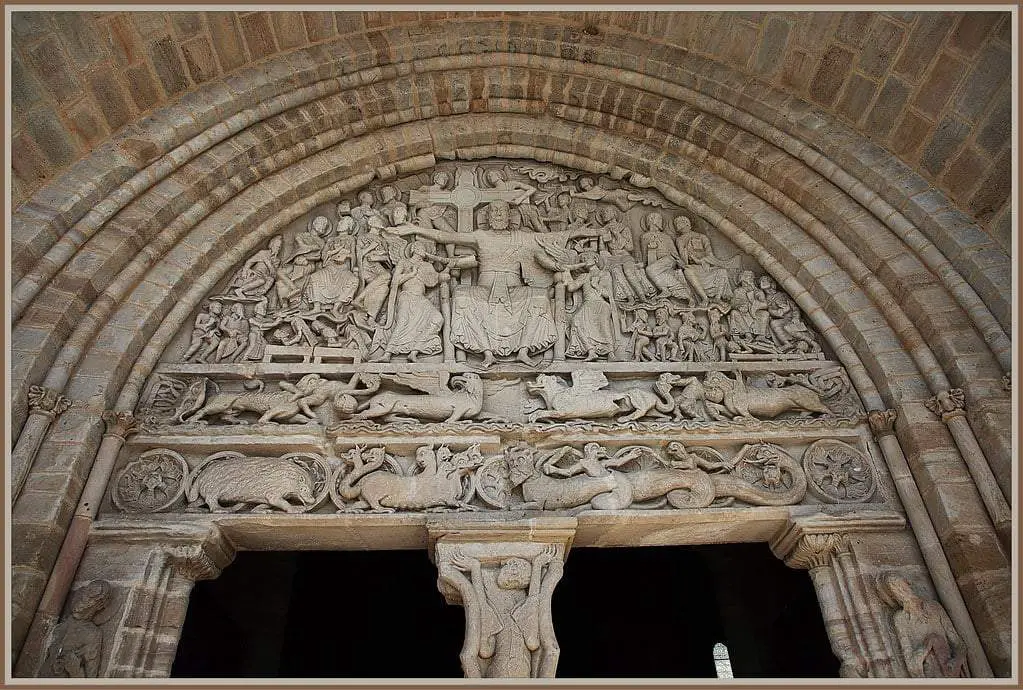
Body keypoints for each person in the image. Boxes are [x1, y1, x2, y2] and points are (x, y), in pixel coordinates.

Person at [395, 199, 599, 367]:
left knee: (539, 298)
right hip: (484, 287)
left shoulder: (521, 237)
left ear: (510, 217)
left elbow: (552, 237)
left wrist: (587, 232)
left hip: (514, 287)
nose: (499, 215)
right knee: (462, 297)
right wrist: (413, 228)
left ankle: (524, 350)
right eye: (495, 212)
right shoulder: (480, 236)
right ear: (489, 217)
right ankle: (485, 351)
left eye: (503, 212)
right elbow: (444, 235)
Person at [877, 573, 968, 678]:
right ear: (892, 596)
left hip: (951, 669)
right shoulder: (900, 619)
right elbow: (910, 662)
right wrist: (927, 646)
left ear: (908, 584)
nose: (901, 591)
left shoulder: (935, 608)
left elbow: (958, 643)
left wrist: (957, 661)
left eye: (901, 585)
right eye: (895, 590)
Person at [564, 255, 617, 361]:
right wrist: (567, 271)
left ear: (595, 259)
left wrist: (596, 285)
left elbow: (608, 295)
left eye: (586, 258)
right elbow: (571, 287)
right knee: (576, 321)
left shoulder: (604, 274)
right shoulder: (584, 276)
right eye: (582, 260)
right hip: (588, 304)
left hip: (601, 304)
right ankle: (591, 351)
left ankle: (611, 353)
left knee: (604, 327)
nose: (584, 260)